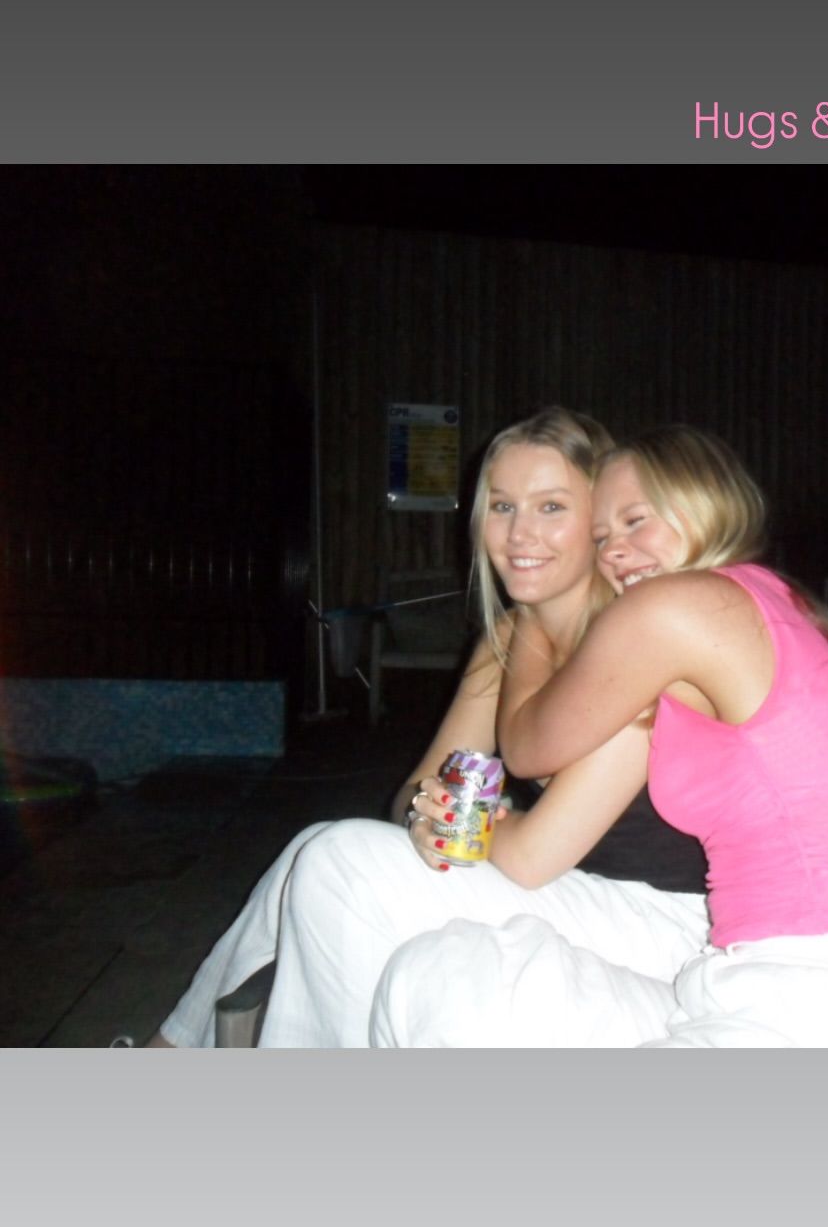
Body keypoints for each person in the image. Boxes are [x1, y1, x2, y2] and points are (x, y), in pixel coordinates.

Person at [370, 426, 828, 1048]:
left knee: (438, 974)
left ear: (702, 503)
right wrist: (435, 812)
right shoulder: (751, 597)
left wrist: (525, 630)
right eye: (603, 537)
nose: (616, 552)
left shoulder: (676, 608)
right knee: (426, 969)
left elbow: (527, 750)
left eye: (636, 521)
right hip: (738, 970)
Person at [147, 408, 708, 1047]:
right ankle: (175, 1052)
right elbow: (417, 792)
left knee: (338, 861)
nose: (519, 533)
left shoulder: (635, 642)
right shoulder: (508, 639)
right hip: (574, 892)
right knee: (321, 851)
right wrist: (429, 814)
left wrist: (471, 823)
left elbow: (533, 856)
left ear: (598, 520)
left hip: (666, 924)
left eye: (551, 507)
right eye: (501, 506)